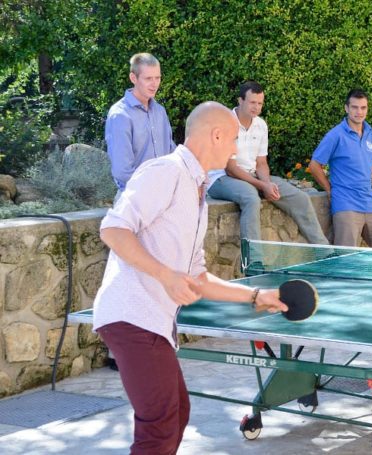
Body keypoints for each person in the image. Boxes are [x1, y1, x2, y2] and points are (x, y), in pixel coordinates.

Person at [93, 101, 288, 454]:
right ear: (216, 135)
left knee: (177, 413)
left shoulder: (197, 192)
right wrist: (166, 275)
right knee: (161, 424)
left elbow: (198, 277)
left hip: (153, 322)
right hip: (131, 316)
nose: (234, 150)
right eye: (233, 139)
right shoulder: (164, 171)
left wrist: (255, 296)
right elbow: (114, 229)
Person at [207, 81, 328, 244]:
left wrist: (267, 184)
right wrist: (262, 186)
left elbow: (261, 163)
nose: (256, 107)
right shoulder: (225, 123)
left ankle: (325, 251)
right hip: (221, 178)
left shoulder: (261, 125)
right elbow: (231, 169)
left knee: (301, 198)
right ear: (240, 100)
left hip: (251, 175)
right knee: (251, 198)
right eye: (252, 102)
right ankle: (253, 258)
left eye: (260, 103)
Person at [309, 89, 372, 247]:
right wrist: (329, 190)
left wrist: (365, 180)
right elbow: (314, 166)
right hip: (345, 204)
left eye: (363, 107)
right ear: (346, 108)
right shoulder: (335, 135)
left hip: (370, 202)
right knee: (346, 256)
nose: (359, 112)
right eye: (354, 107)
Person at [105, 53, 176, 196]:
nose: (154, 84)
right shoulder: (120, 115)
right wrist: (152, 191)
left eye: (157, 78)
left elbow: (171, 154)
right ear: (133, 78)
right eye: (148, 78)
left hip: (163, 195)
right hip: (135, 198)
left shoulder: (160, 111)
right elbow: (122, 171)